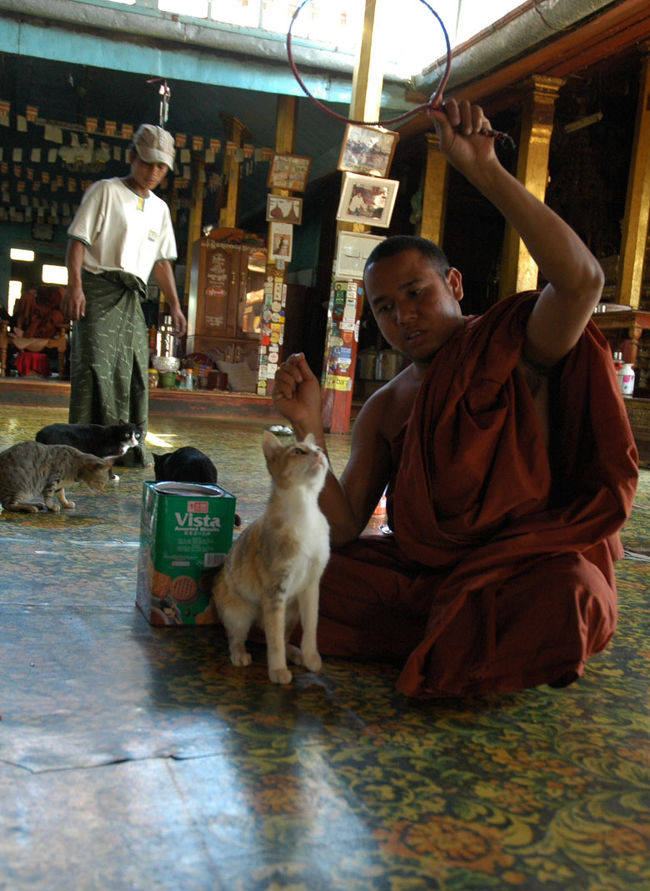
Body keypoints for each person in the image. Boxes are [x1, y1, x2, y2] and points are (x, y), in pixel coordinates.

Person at [272, 98, 639, 699]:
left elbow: (582, 282)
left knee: (573, 593)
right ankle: (458, 634)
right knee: (293, 572)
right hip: (432, 577)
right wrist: (309, 428)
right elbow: (342, 529)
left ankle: (451, 634)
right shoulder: (387, 406)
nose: (403, 316)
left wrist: (487, 171)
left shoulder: (514, 345)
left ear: (456, 284)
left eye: (416, 293)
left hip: (527, 568)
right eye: (385, 308)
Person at [62, 123, 187, 463]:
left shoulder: (160, 210)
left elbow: (162, 263)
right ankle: (85, 453)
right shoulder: (105, 191)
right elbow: (78, 242)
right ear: (132, 157)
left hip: (132, 299)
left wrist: (175, 306)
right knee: (94, 368)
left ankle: (123, 450)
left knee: (131, 372)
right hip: (97, 291)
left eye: (161, 167)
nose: (153, 172)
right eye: (147, 163)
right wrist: (75, 286)